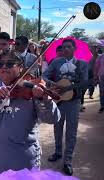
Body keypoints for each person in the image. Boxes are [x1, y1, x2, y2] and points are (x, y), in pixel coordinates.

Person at [0, 50, 61, 180]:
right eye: (0, 64)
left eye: (10, 64)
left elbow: (52, 118)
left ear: (21, 68)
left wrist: (43, 99)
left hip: (20, 157)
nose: (4, 67)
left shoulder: (32, 89)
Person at [43, 39, 88, 175]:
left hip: (73, 102)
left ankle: (67, 160)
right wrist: (54, 85)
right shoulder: (56, 62)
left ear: (74, 49)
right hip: (59, 100)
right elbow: (45, 76)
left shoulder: (82, 64)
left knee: (71, 131)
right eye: (64, 47)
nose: (66, 49)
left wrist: (74, 89)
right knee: (57, 126)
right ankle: (57, 152)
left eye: (69, 47)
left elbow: (85, 83)